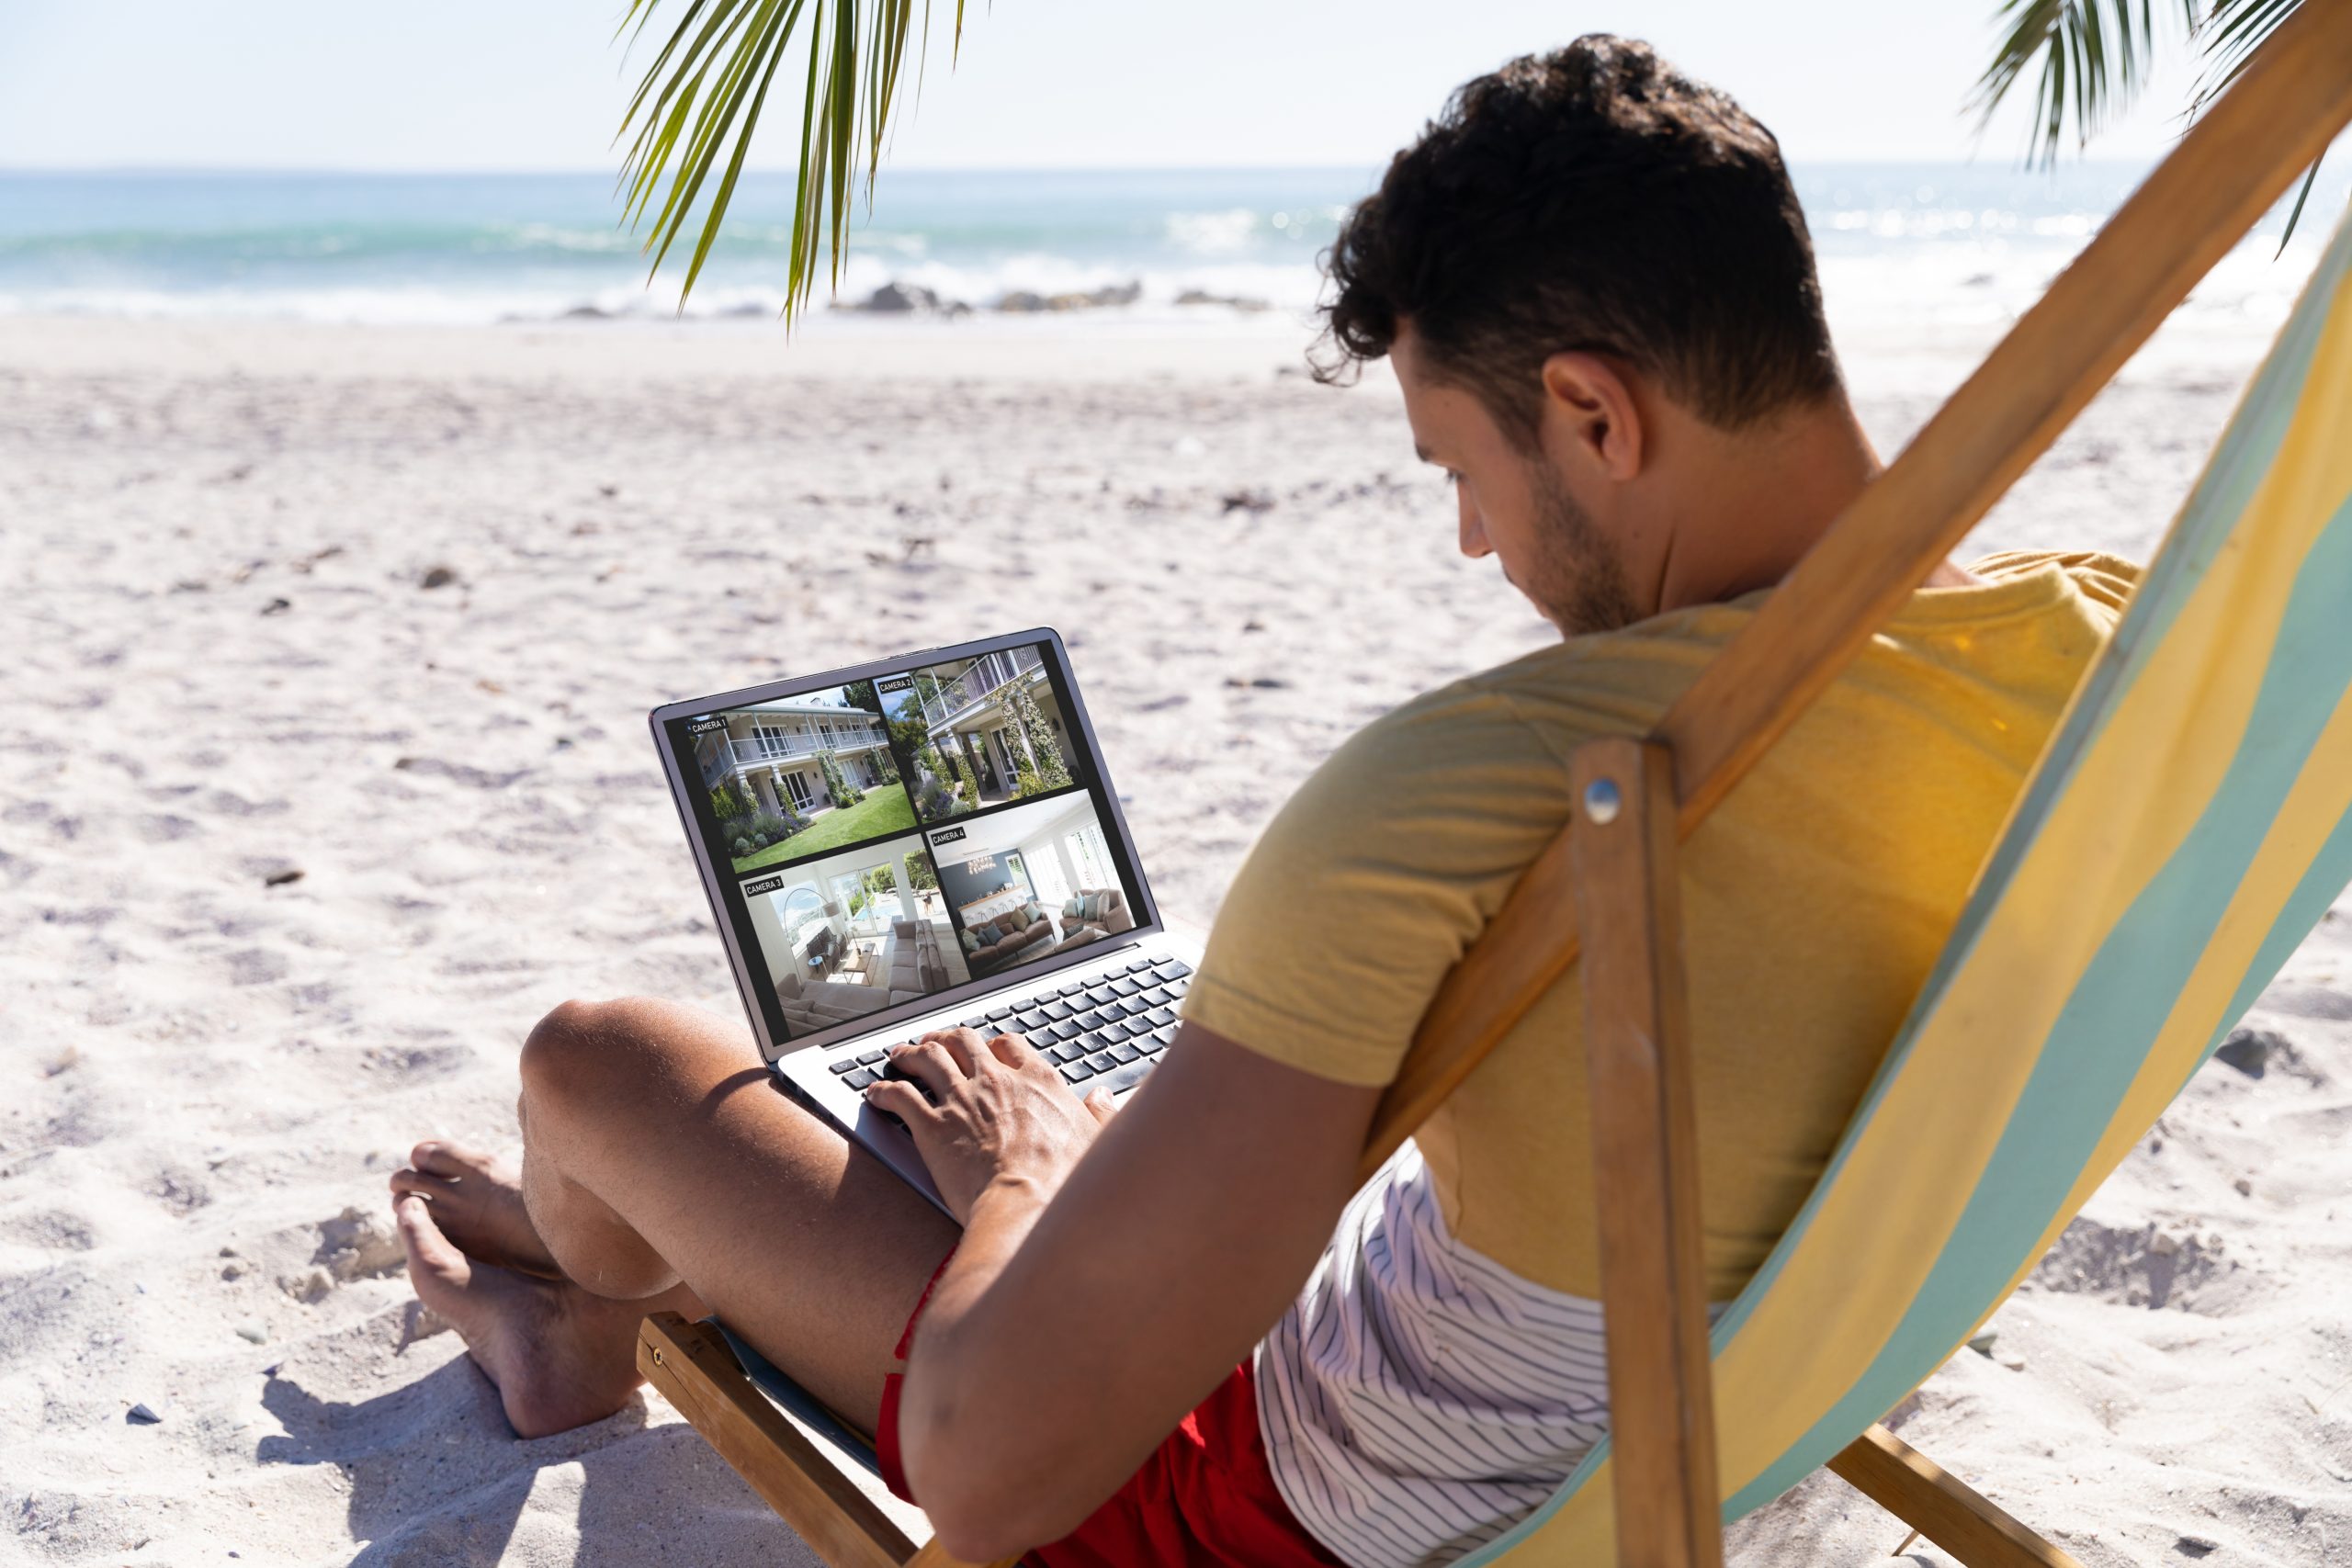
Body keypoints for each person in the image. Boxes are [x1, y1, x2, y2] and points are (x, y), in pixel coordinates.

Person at [390, 35, 2136, 1568]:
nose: (1478, 543)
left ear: (1594, 412)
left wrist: (1031, 1185)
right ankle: (592, 1264)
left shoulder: (1498, 788)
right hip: (1713, 1406)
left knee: (601, 1060)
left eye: (1463, 470)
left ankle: (579, 1313)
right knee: (952, 1121)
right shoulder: (2108, 650)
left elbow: (998, 1480)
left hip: (1238, 1500)